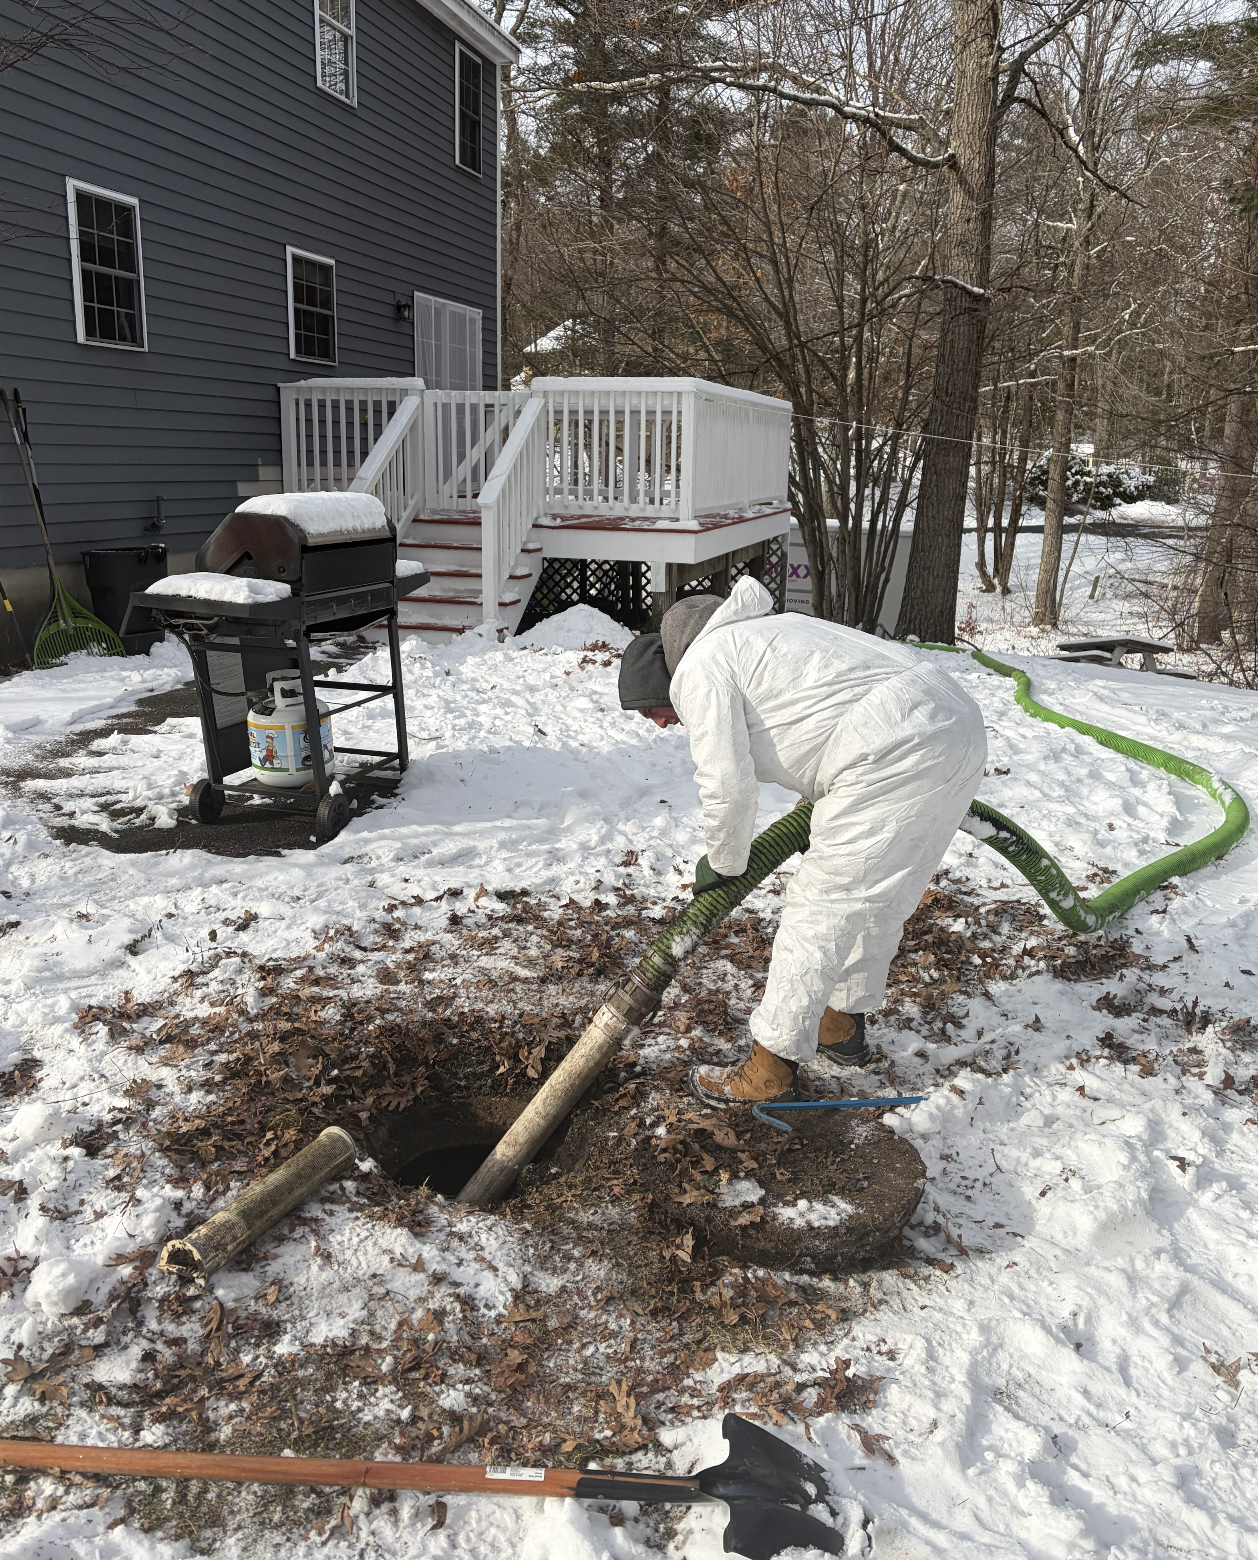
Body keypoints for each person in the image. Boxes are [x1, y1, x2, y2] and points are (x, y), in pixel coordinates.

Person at [617, 576, 987, 1105]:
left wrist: (724, 863)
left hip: (890, 746)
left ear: (664, 681)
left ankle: (770, 1070)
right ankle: (839, 1025)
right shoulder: (768, 633)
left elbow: (726, 785)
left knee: (820, 906)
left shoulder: (700, 668)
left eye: (650, 710)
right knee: (879, 897)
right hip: (956, 721)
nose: (657, 724)